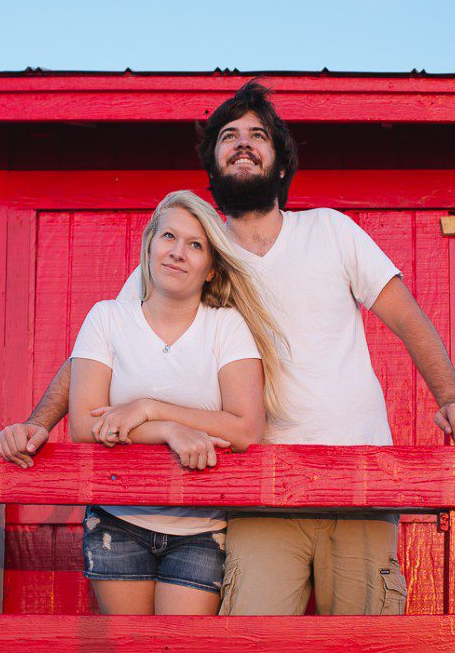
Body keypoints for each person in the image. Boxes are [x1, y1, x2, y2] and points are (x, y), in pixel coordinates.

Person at [0, 81, 455, 616]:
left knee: (363, 639)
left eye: (258, 135)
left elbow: (408, 317)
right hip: (258, 490)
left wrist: (451, 396)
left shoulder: (331, 231)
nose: (243, 143)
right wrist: (41, 420)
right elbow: (106, 343)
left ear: (281, 165)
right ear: (213, 167)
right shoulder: (197, 252)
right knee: (248, 636)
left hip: (357, 478)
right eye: (228, 136)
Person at [59, 190, 284, 615]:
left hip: (201, 527)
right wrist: (169, 430)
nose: (178, 252)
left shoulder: (226, 327)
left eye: (195, 245)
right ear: (149, 247)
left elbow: (246, 428)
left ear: (211, 269)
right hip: (118, 518)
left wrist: (148, 407)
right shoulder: (107, 318)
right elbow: (85, 425)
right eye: (169, 237)